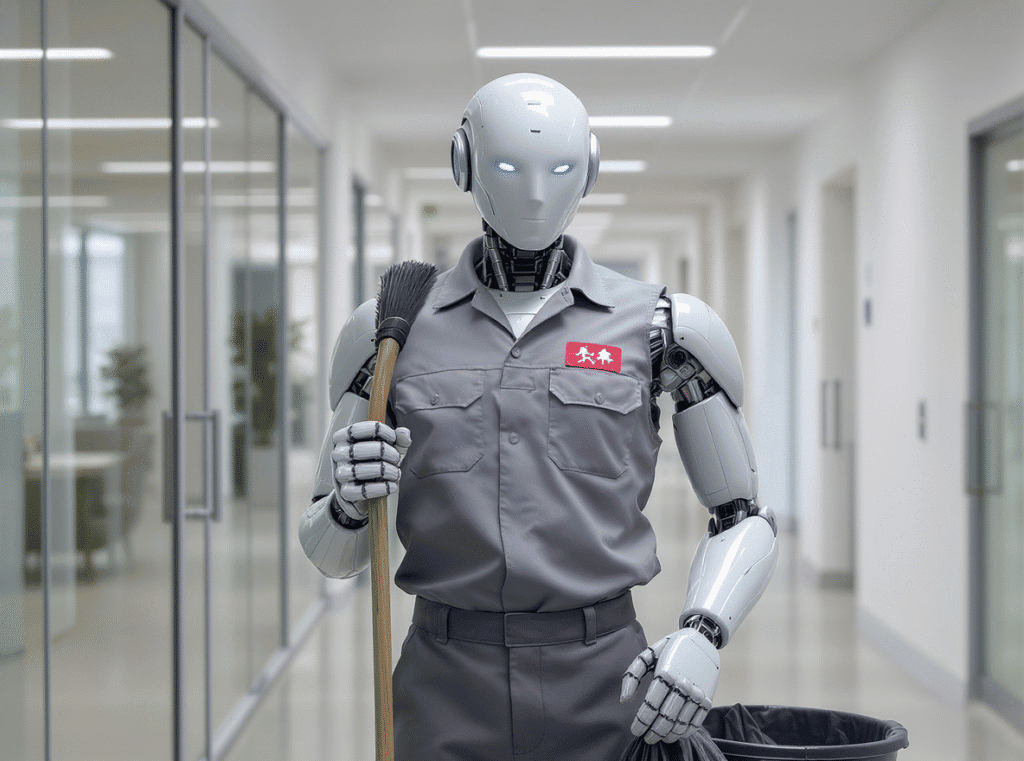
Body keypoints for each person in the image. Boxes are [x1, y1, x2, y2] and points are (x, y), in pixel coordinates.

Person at [299, 73, 779, 760]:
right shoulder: (390, 333)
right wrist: (348, 504)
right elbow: (329, 551)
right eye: (506, 168)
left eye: (557, 170)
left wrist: (704, 632)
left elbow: (741, 516)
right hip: (443, 683)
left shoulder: (662, 327)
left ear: (588, 169)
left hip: (606, 680)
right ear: (464, 163)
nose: (532, 193)